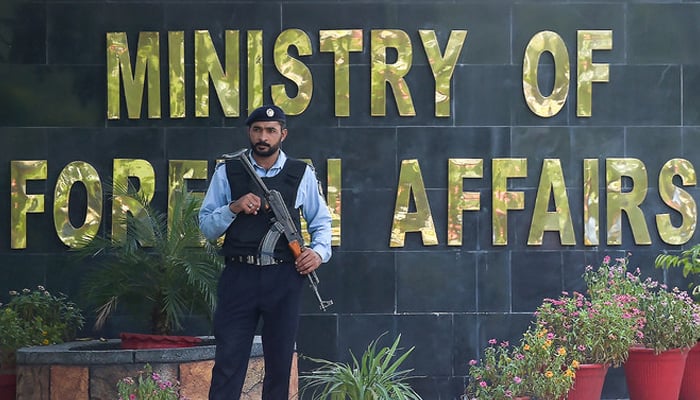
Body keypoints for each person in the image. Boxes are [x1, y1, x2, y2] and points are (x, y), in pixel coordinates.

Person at [199, 104, 332, 400]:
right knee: (228, 362)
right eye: (258, 129)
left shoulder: (301, 173)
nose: (263, 136)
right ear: (249, 132)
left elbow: (321, 222)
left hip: (284, 276)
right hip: (239, 275)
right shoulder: (228, 171)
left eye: (271, 131)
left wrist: (318, 253)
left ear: (283, 134)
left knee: (280, 364)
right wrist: (233, 208)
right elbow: (207, 227)